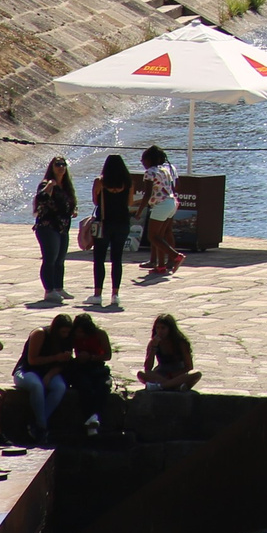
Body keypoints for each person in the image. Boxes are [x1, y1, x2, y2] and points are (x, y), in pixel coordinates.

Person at [11, 315, 74, 443]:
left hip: (48, 371)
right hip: (26, 371)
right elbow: (32, 360)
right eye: (63, 332)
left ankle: (38, 423)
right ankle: (42, 426)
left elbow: (63, 364)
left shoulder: (67, 340)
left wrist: (50, 375)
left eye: (68, 332)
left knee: (60, 387)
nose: (65, 335)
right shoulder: (40, 334)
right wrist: (56, 357)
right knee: (36, 386)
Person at [87, 154, 131, 309]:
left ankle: (98, 294)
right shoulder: (127, 182)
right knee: (117, 259)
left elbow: (95, 201)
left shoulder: (100, 182)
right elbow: (130, 202)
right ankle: (115, 294)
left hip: (103, 223)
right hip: (122, 223)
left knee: (99, 258)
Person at [31, 156, 76, 302]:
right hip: (48, 227)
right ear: (52, 167)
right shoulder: (46, 183)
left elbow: (69, 203)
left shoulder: (66, 185)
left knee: (60, 260)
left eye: (63, 164)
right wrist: (50, 185)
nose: (61, 167)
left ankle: (58, 288)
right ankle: (49, 290)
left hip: (63, 227)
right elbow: (41, 198)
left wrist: (73, 210)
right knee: (50, 258)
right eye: (58, 164)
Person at [62, 313, 114, 435]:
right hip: (81, 368)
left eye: (82, 332)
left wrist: (91, 357)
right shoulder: (73, 336)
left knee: (103, 386)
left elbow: (107, 355)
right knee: (84, 386)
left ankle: (93, 417)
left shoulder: (100, 334)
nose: (79, 335)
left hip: (96, 366)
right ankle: (91, 418)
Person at [138, 146, 180, 276]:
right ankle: (161, 266)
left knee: (153, 236)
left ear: (149, 160)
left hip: (161, 205)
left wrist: (139, 211)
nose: (142, 162)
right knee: (161, 236)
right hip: (172, 202)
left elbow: (147, 194)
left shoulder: (150, 172)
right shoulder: (165, 170)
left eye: (143, 160)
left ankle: (175, 256)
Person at [138, 315, 199, 392]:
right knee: (141, 374)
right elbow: (148, 368)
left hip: (178, 373)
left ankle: (162, 386)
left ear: (170, 329)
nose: (160, 331)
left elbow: (189, 367)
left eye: (163, 328)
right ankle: (173, 385)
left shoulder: (181, 343)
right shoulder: (154, 343)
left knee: (196, 374)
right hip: (162, 373)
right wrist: (153, 348)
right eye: (158, 328)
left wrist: (172, 375)